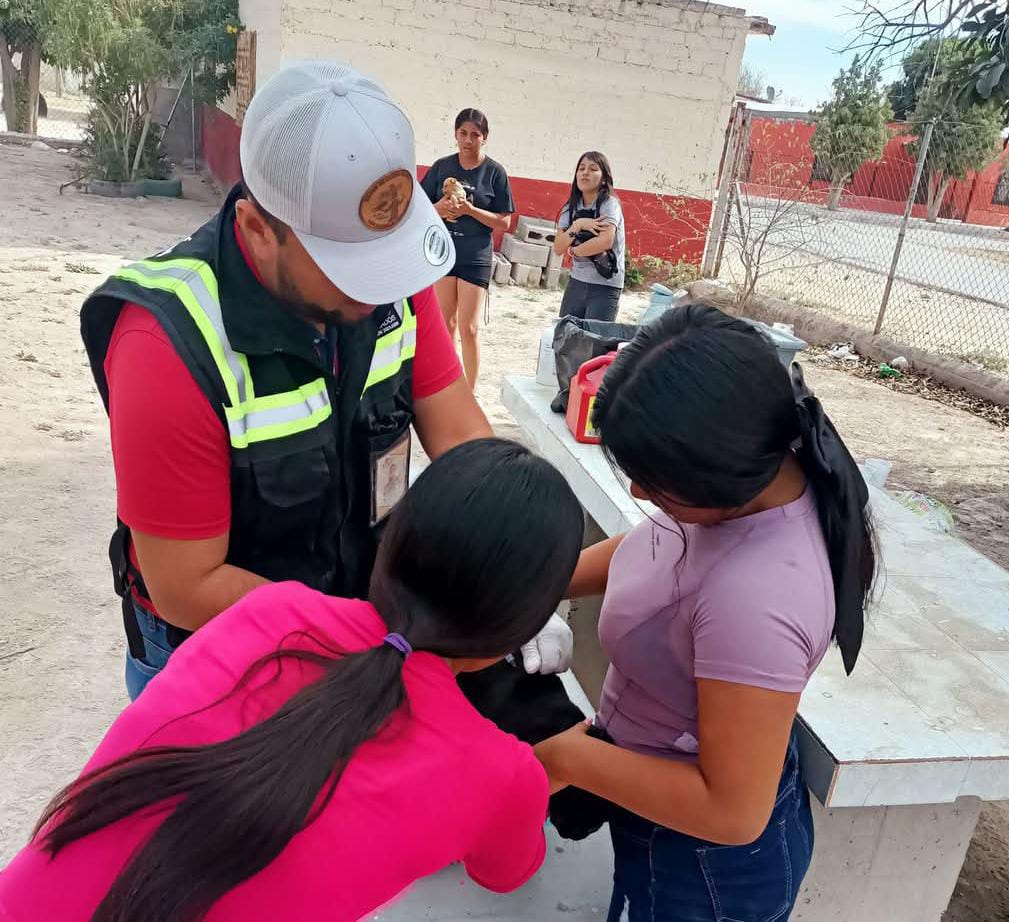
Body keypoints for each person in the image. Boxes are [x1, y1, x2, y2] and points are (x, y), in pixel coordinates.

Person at [79, 64, 569, 701]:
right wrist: (367, 634)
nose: (379, 287)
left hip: (351, 621)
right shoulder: (169, 343)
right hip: (217, 659)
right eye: (350, 267)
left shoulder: (391, 285)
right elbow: (188, 584)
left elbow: (458, 430)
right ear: (259, 230)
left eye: (386, 258)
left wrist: (508, 577)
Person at [0, 439, 585, 922]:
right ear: (522, 630)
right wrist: (551, 769)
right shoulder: (499, 776)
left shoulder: (273, 612)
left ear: (392, 544)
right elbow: (506, 872)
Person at [536, 306, 877, 922]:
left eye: (654, 481)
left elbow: (732, 812)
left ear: (716, 475)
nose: (639, 494)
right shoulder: (748, 489)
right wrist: (527, 585)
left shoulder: (757, 600)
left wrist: (564, 759)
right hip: (665, 813)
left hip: (703, 866)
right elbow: (657, 546)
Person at [420, 108, 514, 390]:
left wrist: (470, 210)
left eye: (475, 135)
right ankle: (449, 387)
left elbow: (504, 221)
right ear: (455, 134)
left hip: (475, 256)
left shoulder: (495, 172)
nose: (468, 140)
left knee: (469, 328)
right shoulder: (441, 167)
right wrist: (439, 209)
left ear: (485, 138)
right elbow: (419, 207)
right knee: (445, 325)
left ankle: (470, 391)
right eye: (463, 133)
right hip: (443, 253)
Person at [552, 152, 626, 322]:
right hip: (576, 282)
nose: (585, 173)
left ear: (604, 178)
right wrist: (578, 225)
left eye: (593, 169)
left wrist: (574, 251)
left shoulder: (609, 204)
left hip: (606, 286)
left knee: (594, 337)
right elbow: (558, 247)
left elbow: (605, 241)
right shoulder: (570, 207)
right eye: (581, 168)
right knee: (567, 334)